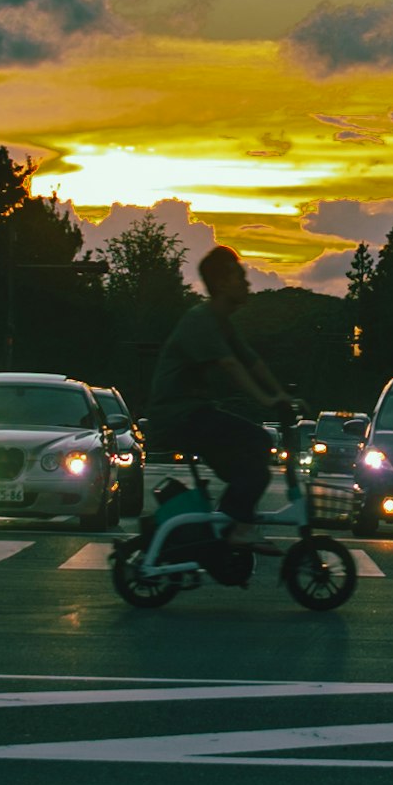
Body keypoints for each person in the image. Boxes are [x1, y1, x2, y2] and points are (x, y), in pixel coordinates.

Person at [142, 245, 294, 572]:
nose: (248, 284)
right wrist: (267, 401)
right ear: (223, 283)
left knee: (252, 463)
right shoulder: (201, 320)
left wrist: (283, 396)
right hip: (178, 416)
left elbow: (252, 361)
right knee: (256, 441)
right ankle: (235, 527)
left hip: (193, 414)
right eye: (241, 276)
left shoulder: (222, 323)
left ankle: (226, 528)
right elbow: (231, 365)